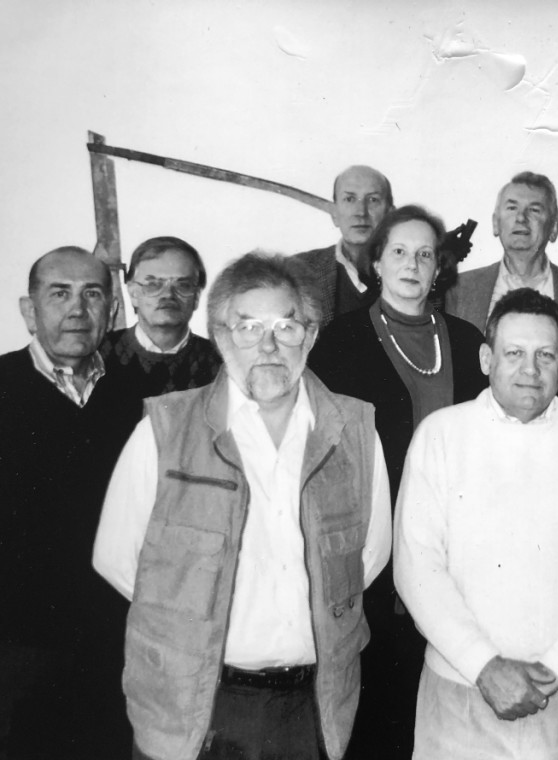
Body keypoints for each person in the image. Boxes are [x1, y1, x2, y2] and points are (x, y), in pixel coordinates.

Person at [92, 253, 392, 760]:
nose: (269, 345)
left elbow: (369, 557)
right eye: (249, 327)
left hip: (313, 709)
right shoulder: (165, 430)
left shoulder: (355, 432)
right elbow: (118, 559)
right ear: (221, 336)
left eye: (286, 326)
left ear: (311, 335)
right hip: (196, 707)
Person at [394, 288, 558, 760]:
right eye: (514, 353)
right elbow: (416, 565)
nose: (529, 370)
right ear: (487, 358)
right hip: (462, 694)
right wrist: (482, 665)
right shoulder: (441, 436)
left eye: (545, 355)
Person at [308, 204, 487, 760]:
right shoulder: (340, 341)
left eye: (426, 254)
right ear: (377, 263)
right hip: (374, 551)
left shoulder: (464, 338)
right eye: (400, 252)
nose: (412, 264)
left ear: (440, 269)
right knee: (377, 714)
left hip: (455, 547)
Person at [1, 246, 138, 759]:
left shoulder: (138, 398)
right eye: (59, 294)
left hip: (116, 642)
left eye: (93, 293)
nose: (77, 309)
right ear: (28, 309)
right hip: (18, 646)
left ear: (112, 310)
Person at [445, 171, 558, 365]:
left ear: (554, 229)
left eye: (534, 210)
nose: (521, 218)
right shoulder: (458, 291)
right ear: (495, 224)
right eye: (511, 208)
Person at [102, 236, 221, 417]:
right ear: (133, 293)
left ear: (196, 297)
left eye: (183, 285)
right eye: (153, 285)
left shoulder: (220, 361)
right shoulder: (98, 358)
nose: (167, 294)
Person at [294, 165, 394, 325]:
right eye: (349, 199)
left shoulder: (417, 270)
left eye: (373, 200)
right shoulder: (299, 270)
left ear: (390, 214)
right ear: (334, 213)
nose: (361, 212)